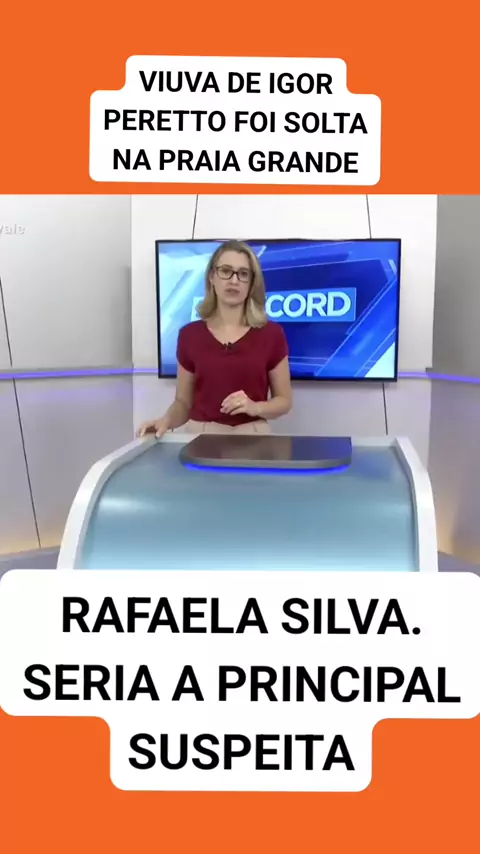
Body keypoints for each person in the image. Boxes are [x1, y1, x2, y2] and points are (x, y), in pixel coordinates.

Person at [137, 240, 292, 438]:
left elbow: (284, 401)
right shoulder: (189, 335)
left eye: (243, 274)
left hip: (253, 436)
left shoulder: (271, 334)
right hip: (201, 436)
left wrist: (255, 407)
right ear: (212, 277)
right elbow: (183, 403)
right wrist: (164, 422)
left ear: (252, 283)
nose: (234, 280)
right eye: (226, 271)